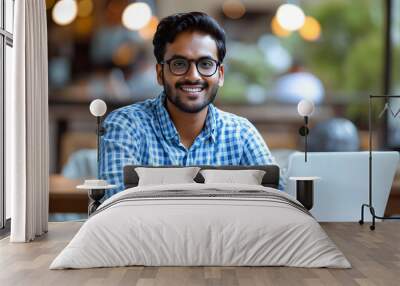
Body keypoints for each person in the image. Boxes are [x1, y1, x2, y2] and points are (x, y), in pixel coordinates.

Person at [100, 12, 284, 197]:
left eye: (205, 64)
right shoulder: (125, 126)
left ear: (220, 74)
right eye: (179, 64)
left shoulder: (241, 134)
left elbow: (279, 203)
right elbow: (116, 205)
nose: (193, 76)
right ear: (159, 73)